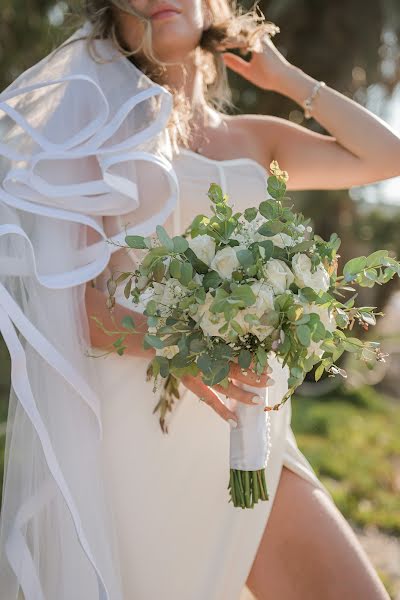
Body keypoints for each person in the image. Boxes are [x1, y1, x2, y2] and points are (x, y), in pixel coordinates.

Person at [0, 1, 398, 598]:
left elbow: (386, 156)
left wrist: (285, 78)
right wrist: (182, 346)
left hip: (254, 430)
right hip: (143, 433)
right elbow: (79, 308)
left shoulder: (253, 137)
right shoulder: (97, 133)